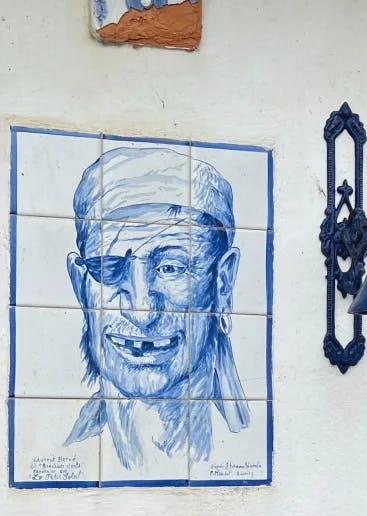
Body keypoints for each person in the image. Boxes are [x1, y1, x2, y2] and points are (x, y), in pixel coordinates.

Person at [64, 146, 248, 470]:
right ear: (81, 286)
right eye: (109, 268)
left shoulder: (244, 449)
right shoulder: (70, 451)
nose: (142, 312)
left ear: (222, 282)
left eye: (170, 268)